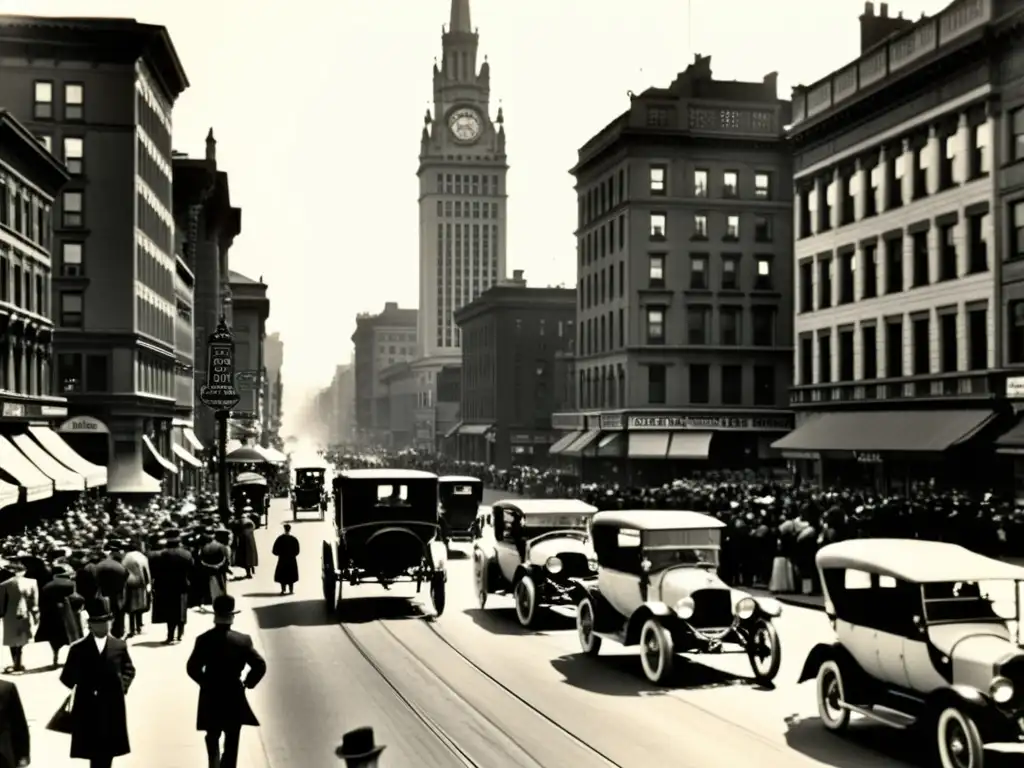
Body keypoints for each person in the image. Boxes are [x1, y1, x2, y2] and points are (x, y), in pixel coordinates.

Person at [186, 595, 266, 768]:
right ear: (232, 618)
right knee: (232, 738)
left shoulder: (204, 640)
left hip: (210, 694)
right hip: (233, 693)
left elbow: (192, 668)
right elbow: (259, 665)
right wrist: (247, 683)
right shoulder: (243, 641)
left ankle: (213, 764)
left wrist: (204, 682)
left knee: (212, 735)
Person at [59, 597, 135, 768]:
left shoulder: (119, 646)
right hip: (87, 706)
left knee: (109, 748)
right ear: (90, 625)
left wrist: (121, 686)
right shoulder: (78, 649)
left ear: (111, 622)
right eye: (98, 623)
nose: (103, 626)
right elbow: (66, 677)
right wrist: (84, 685)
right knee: (93, 748)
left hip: (112, 704)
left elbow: (129, 669)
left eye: (106, 622)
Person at [36, 563, 84, 668]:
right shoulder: (71, 584)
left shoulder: (47, 586)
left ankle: (55, 659)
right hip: (70, 615)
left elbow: (42, 603)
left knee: (54, 640)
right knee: (74, 637)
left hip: (52, 617)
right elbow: (79, 599)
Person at [150, 530, 192, 644]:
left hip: (166, 587)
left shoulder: (161, 555)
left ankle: (170, 636)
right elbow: (192, 570)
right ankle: (180, 634)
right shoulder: (186, 554)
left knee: (170, 612)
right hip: (182, 585)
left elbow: (156, 572)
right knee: (181, 610)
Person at [0, 560, 38, 673]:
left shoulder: (4, 584)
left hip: (9, 615)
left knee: (11, 639)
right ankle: (18, 662)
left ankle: (16, 662)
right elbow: (35, 602)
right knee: (22, 638)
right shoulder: (32, 582)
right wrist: (35, 614)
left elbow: (1, 603)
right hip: (25, 613)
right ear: (24, 571)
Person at [94, 544, 129, 639]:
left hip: (103, 592)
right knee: (118, 612)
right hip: (117, 592)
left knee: (104, 611)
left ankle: (102, 631)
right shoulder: (120, 565)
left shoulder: (100, 565)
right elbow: (126, 578)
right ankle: (118, 632)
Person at [121, 539, 150, 638]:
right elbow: (147, 572)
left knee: (131, 608)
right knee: (140, 607)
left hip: (129, 584)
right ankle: (139, 627)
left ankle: (132, 629)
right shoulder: (142, 557)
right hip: (141, 584)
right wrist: (148, 583)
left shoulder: (126, 557)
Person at [0, 678, 29, 768]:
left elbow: (18, 723)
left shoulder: (6, 688)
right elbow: (18, 723)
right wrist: (23, 755)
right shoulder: (6, 688)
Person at [271, 524, 300, 595]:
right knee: (291, 575)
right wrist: (292, 554)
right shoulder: (294, 539)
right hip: (291, 560)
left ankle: (283, 589)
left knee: (282, 575)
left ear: (284, 529)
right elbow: (297, 550)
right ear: (290, 529)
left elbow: (274, 550)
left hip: (282, 559)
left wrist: (279, 554)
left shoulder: (280, 539)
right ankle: (291, 590)